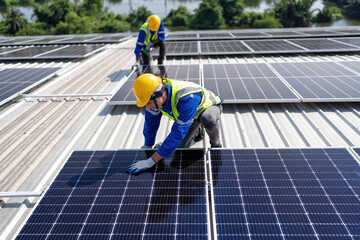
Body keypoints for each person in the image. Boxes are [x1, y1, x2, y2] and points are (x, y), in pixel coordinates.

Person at [127, 73, 223, 174]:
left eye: (149, 103)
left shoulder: (187, 99)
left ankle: (216, 144)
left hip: (207, 108)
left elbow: (178, 132)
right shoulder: (154, 101)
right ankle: (198, 130)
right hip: (189, 117)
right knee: (180, 149)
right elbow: (150, 125)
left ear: (159, 94)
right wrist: (147, 146)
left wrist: (151, 161)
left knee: (208, 119)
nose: (148, 107)